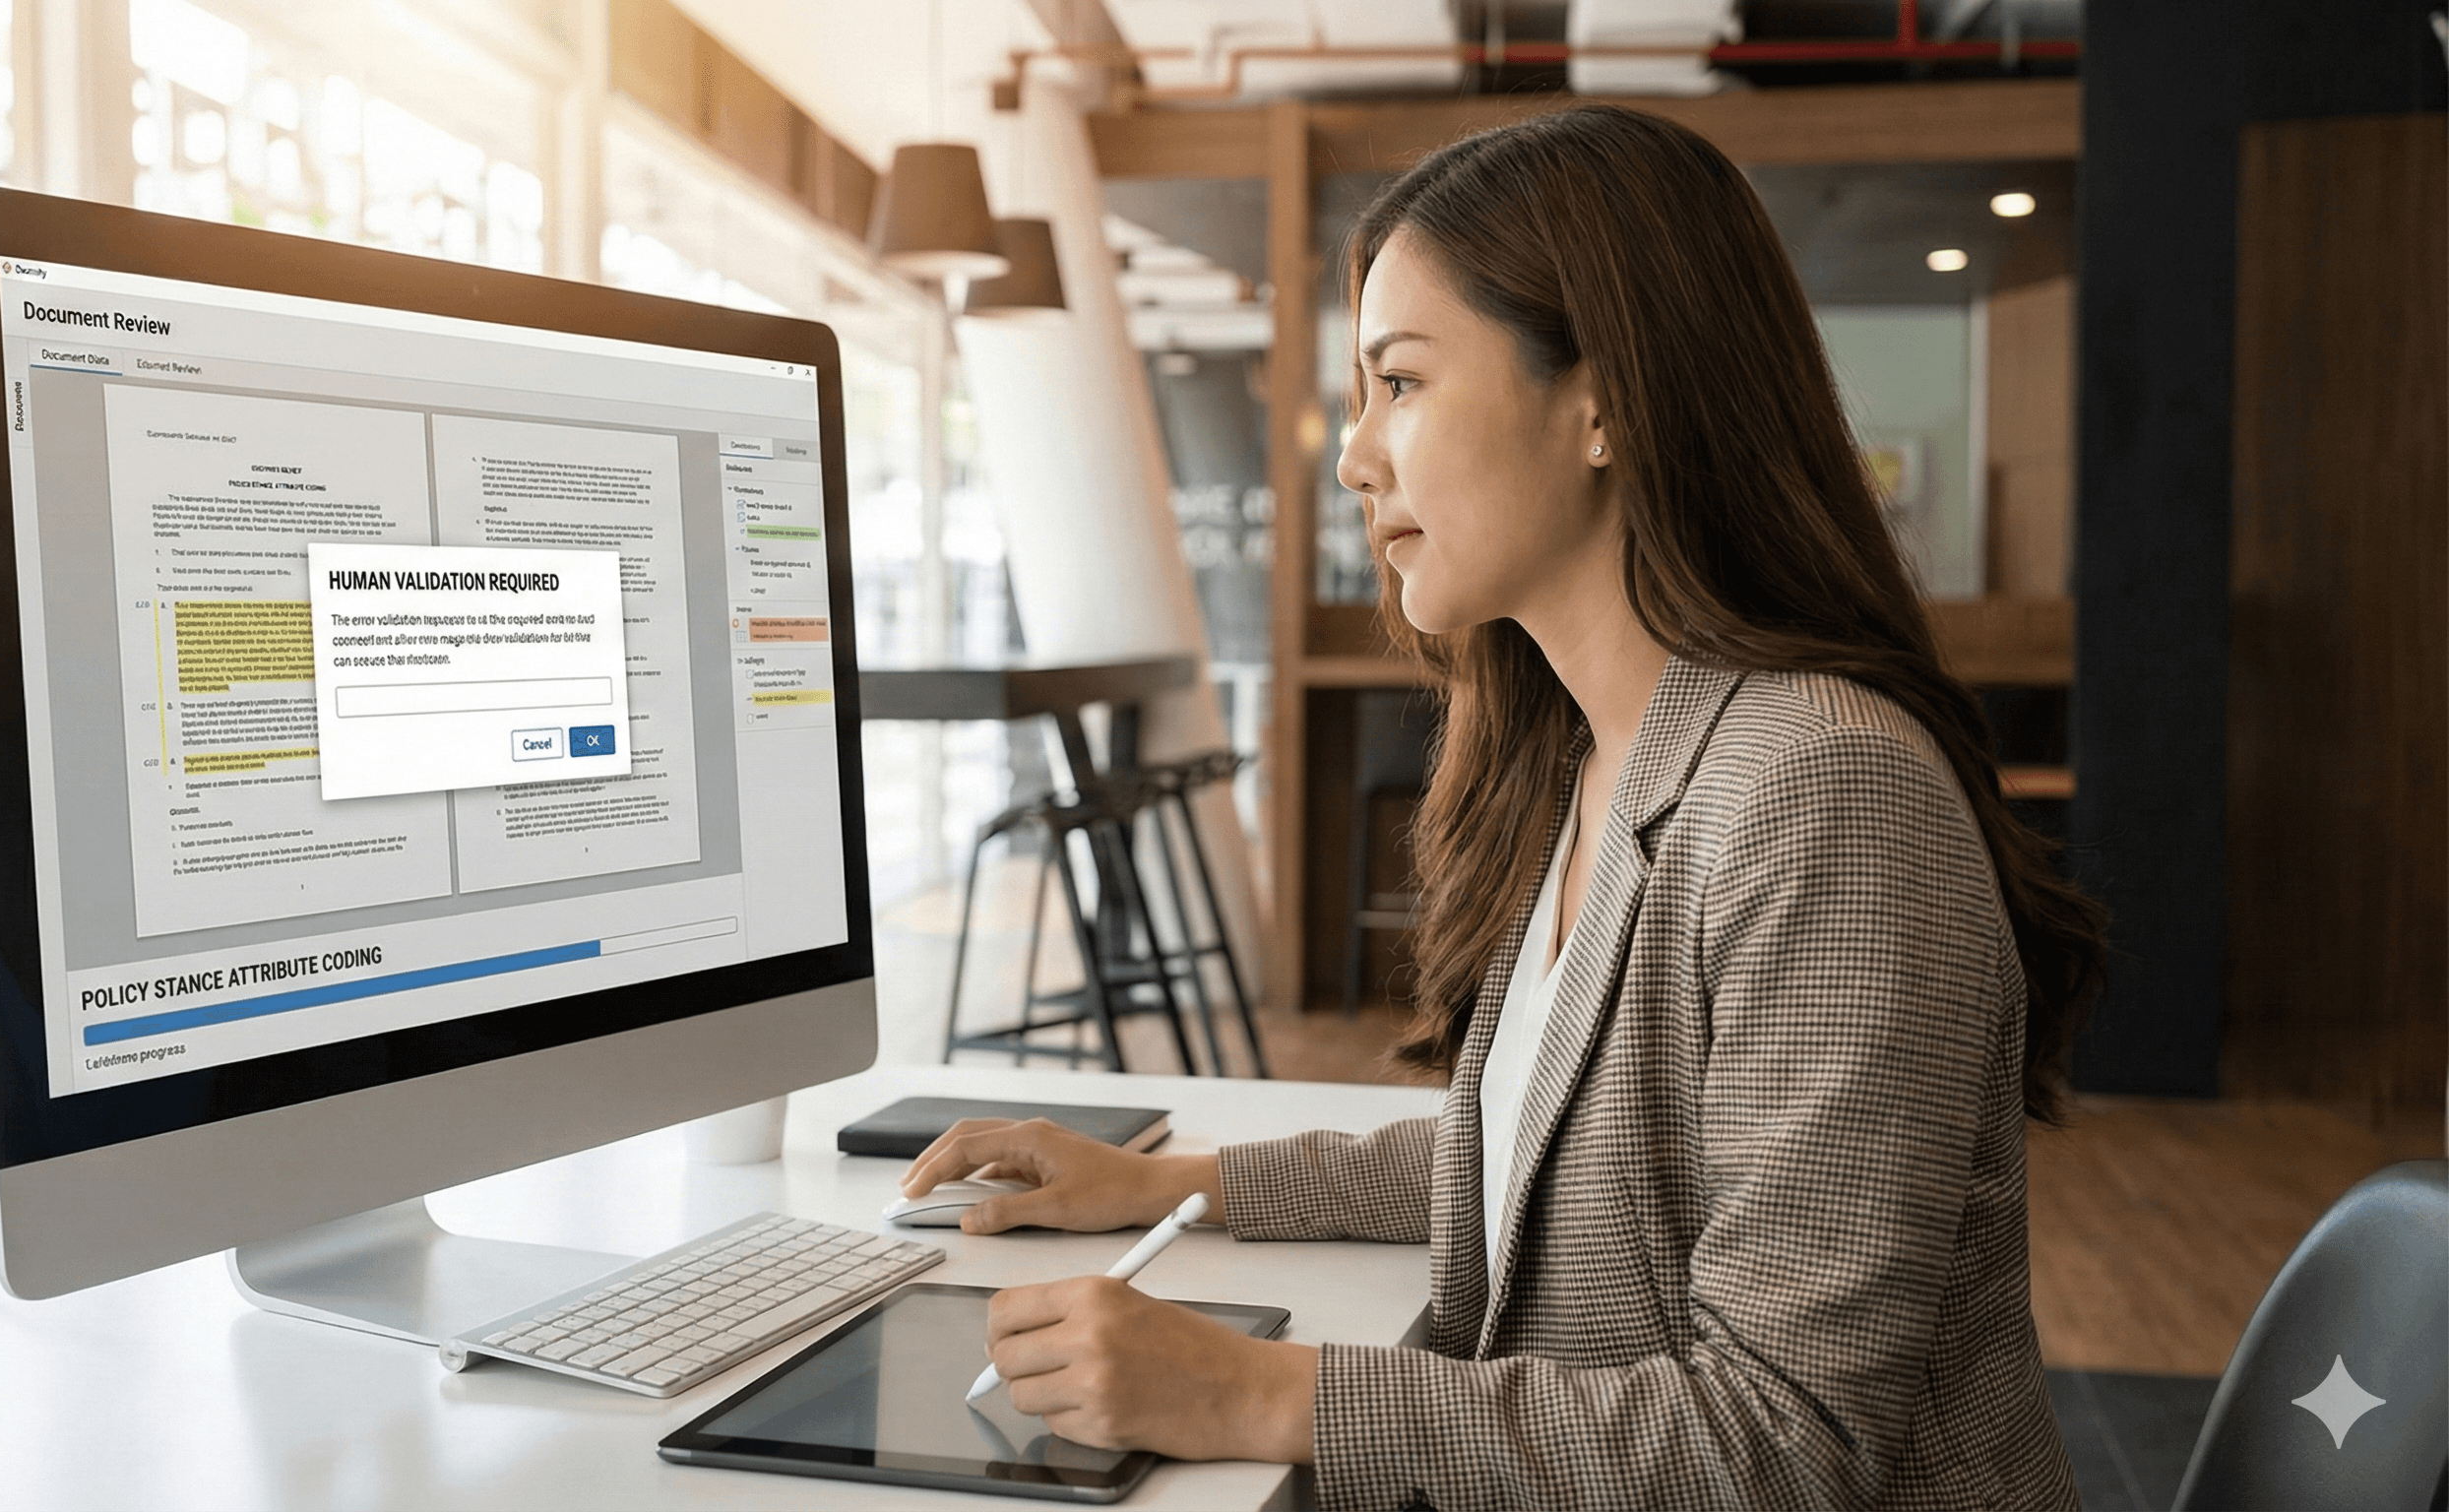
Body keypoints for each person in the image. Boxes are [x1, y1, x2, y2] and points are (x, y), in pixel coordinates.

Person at [899, 102, 2105, 1511]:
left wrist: (1252, 1393)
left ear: (1602, 401)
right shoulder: (1598, 757)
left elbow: (1787, 1446)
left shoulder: (1823, 790)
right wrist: (1174, 1185)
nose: (1354, 458)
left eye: (1400, 383)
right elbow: (1530, 1159)